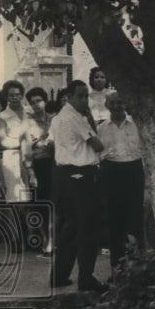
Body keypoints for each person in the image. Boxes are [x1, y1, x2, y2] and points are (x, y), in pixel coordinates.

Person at [50, 80, 107, 293]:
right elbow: (98, 145)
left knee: (71, 228)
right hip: (81, 177)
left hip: (64, 176)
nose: (85, 100)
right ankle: (86, 278)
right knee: (88, 229)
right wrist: (90, 119)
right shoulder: (76, 118)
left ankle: (59, 274)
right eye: (81, 96)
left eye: (87, 96)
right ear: (70, 97)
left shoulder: (58, 118)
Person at [97, 90, 145, 267]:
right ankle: (117, 267)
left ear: (126, 104)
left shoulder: (137, 125)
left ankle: (140, 265)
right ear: (107, 106)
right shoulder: (101, 128)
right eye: (113, 103)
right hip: (111, 172)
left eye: (120, 102)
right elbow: (97, 154)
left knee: (136, 218)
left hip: (134, 171)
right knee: (114, 219)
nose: (117, 106)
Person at [26, 87, 56, 254]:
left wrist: (42, 141)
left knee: (53, 202)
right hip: (37, 164)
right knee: (39, 203)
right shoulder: (28, 123)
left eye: (38, 101)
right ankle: (45, 239)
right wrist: (30, 171)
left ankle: (52, 239)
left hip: (53, 163)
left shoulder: (54, 119)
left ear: (44, 101)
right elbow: (26, 148)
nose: (36, 104)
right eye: (32, 102)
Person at [0, 80, 35, 206]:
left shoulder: (29, 111)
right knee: (16, 197)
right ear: (6, 97)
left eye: (17, 94)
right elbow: (3, 141)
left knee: (33, 195)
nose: (14, 97)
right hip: (12, 157)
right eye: (11, 95)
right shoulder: (3, 116)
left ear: (22, 95)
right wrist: (22, 140)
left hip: (32, 155)